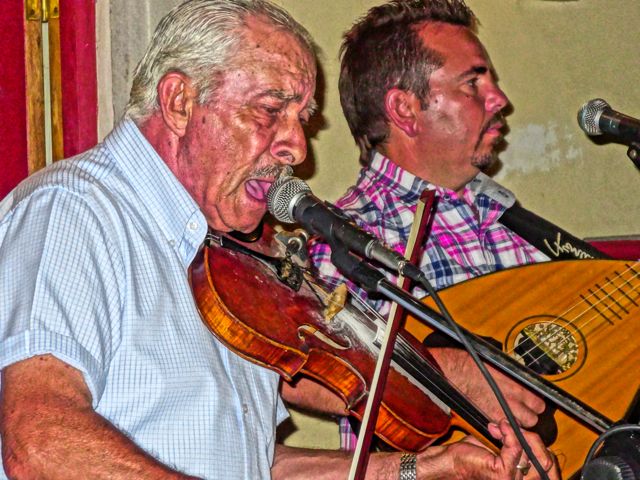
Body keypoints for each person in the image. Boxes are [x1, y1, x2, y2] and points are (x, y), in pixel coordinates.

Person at [0, 0, 556, 479]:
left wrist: (423, 469)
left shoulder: (231, 263)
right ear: (179, 102)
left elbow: (257, 463)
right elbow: (41, 442)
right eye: (271, 110)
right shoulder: (74, 211)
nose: (297, 147)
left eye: (301, 117)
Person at [308, 0, 560, 472]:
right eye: (473, 83)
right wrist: (455, 374)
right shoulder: (344, 243)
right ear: (405, 109)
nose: (499, 99)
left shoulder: (510, 220)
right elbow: (321, 375)